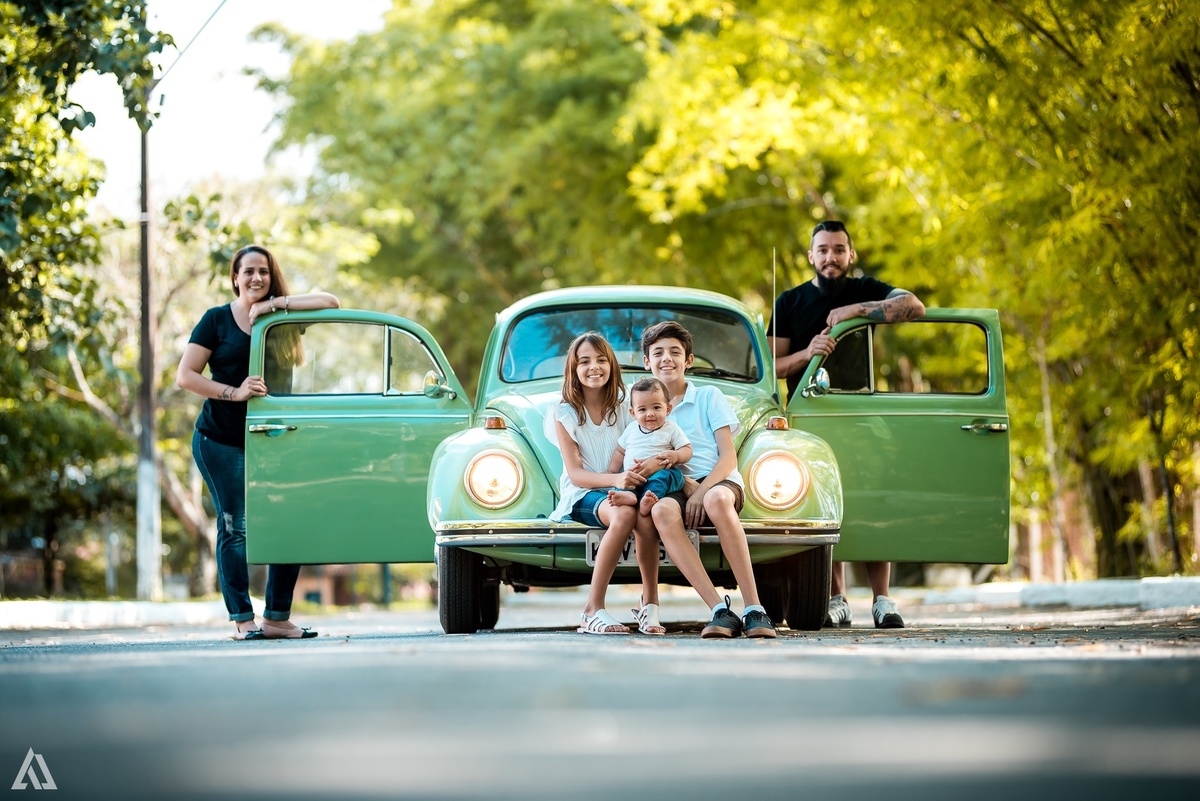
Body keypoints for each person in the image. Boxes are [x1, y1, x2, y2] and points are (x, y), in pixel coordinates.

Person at [767, 219, 925, 629]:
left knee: (874, 496)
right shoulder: (789, 301)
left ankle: (882, 599)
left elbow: (914, 307)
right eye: (822, 249)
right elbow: (771, 366)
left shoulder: (864, 291)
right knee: (824, 501)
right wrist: (807, 353)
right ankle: (836, 597)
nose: (831, 257)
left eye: (839, 249)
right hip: (812, 412)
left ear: (850, 255)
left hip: (862, 410)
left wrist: (855, 311)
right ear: (811, 256)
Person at [177, 244, 340, 640]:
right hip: (221, 440)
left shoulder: (283, 318)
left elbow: (331, 302)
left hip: (276, 440)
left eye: (263, 271)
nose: (256, 278)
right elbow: (186, 376)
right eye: (248, 271)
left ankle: (277, 619)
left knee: (290, 523)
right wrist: (236, 392)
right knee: (236, 526)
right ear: (235, 277)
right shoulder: (215, 320)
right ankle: (242, 620)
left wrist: (274, 305)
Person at [633, 320, 778, 639]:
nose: (666, 358)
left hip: (719, 480)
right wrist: (687, 488)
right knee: (661, 512)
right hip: (677, 485)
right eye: (657, 353)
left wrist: (703, 490)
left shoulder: (709, 395)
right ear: (647, 362)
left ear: (689, 360)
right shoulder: (644, 407)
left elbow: (728, 457)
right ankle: (719, 609)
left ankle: (755, 608)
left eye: (675, 352)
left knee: (715, 499)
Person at [546, 333, 667, 636]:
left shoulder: (627, 405)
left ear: (611, 364)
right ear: (573, 369)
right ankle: (591, 609)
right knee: (625, 514)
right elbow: (576, 474)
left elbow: (641, 447)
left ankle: (649, 605)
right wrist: (616, 480)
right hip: (583, 493)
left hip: (624, 487)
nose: (594, 367)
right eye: (584, 361)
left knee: (644, 511)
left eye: (601, 360)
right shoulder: (564, 411)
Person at [606, 377, 693, 518]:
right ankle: (629, 496)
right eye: (642, 409)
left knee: (664, 477)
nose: (650, 413)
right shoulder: (631, 429)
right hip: (634, 474)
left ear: (668, 409)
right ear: (633, 413)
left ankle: (648, 499)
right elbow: (620, 451)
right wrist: (612, 471)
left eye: (657, 407)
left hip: (662, 472)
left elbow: (687, 449)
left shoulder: (670, 428)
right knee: (624, 481)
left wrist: (676, 456)